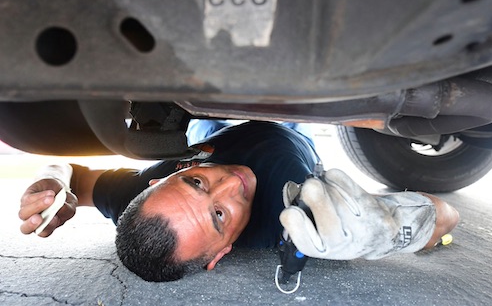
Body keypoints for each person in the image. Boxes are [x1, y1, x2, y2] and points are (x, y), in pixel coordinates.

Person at [18, 121, 459, 282]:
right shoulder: (291, 225)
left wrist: (52, 180)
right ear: (220, 254)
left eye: (194, 183)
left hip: (211, 125)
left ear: (164, 179)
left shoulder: (140, 195)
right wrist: (388, 230)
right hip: (294, 125)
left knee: (194, 124)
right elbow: (447, 216)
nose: (230, 182)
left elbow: (73, 172)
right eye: (219, 215)